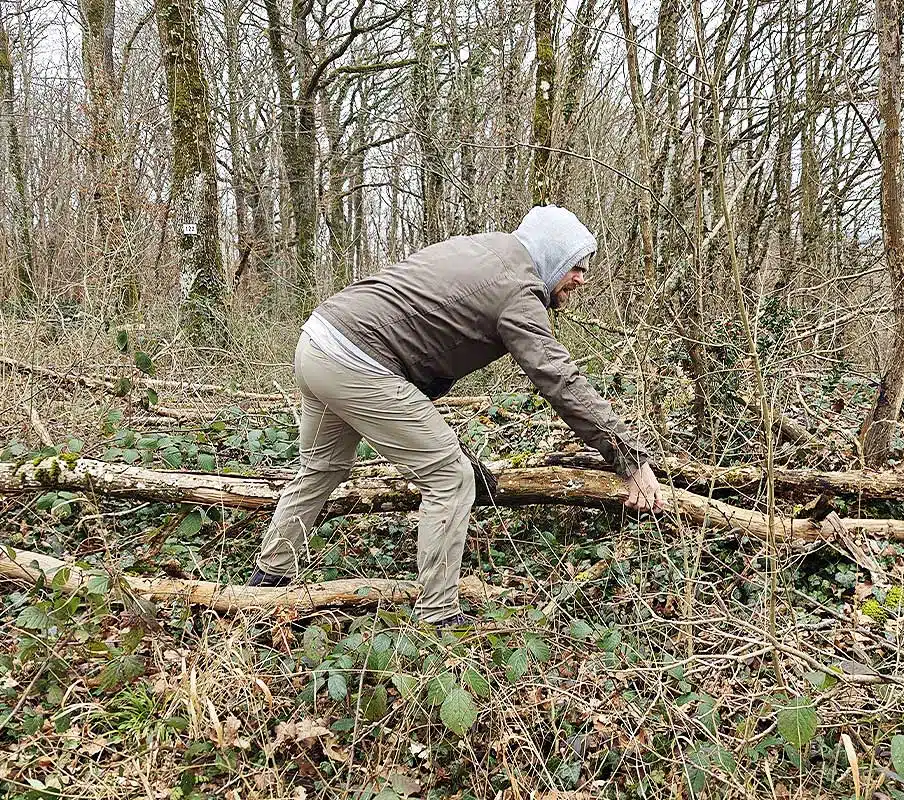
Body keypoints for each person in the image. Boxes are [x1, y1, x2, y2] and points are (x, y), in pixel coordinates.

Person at [247, 205, 664, 626]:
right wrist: (630, 457)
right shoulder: (518, 288)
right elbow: (559, 378)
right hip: (357, 360)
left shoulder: (485, 250)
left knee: (323, 467)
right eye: (576, 266)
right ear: (552, 256)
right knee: (451, 478)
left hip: (318, 341)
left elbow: (416, 343)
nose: (581, 278)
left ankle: (267, 582)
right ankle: (438, 618)